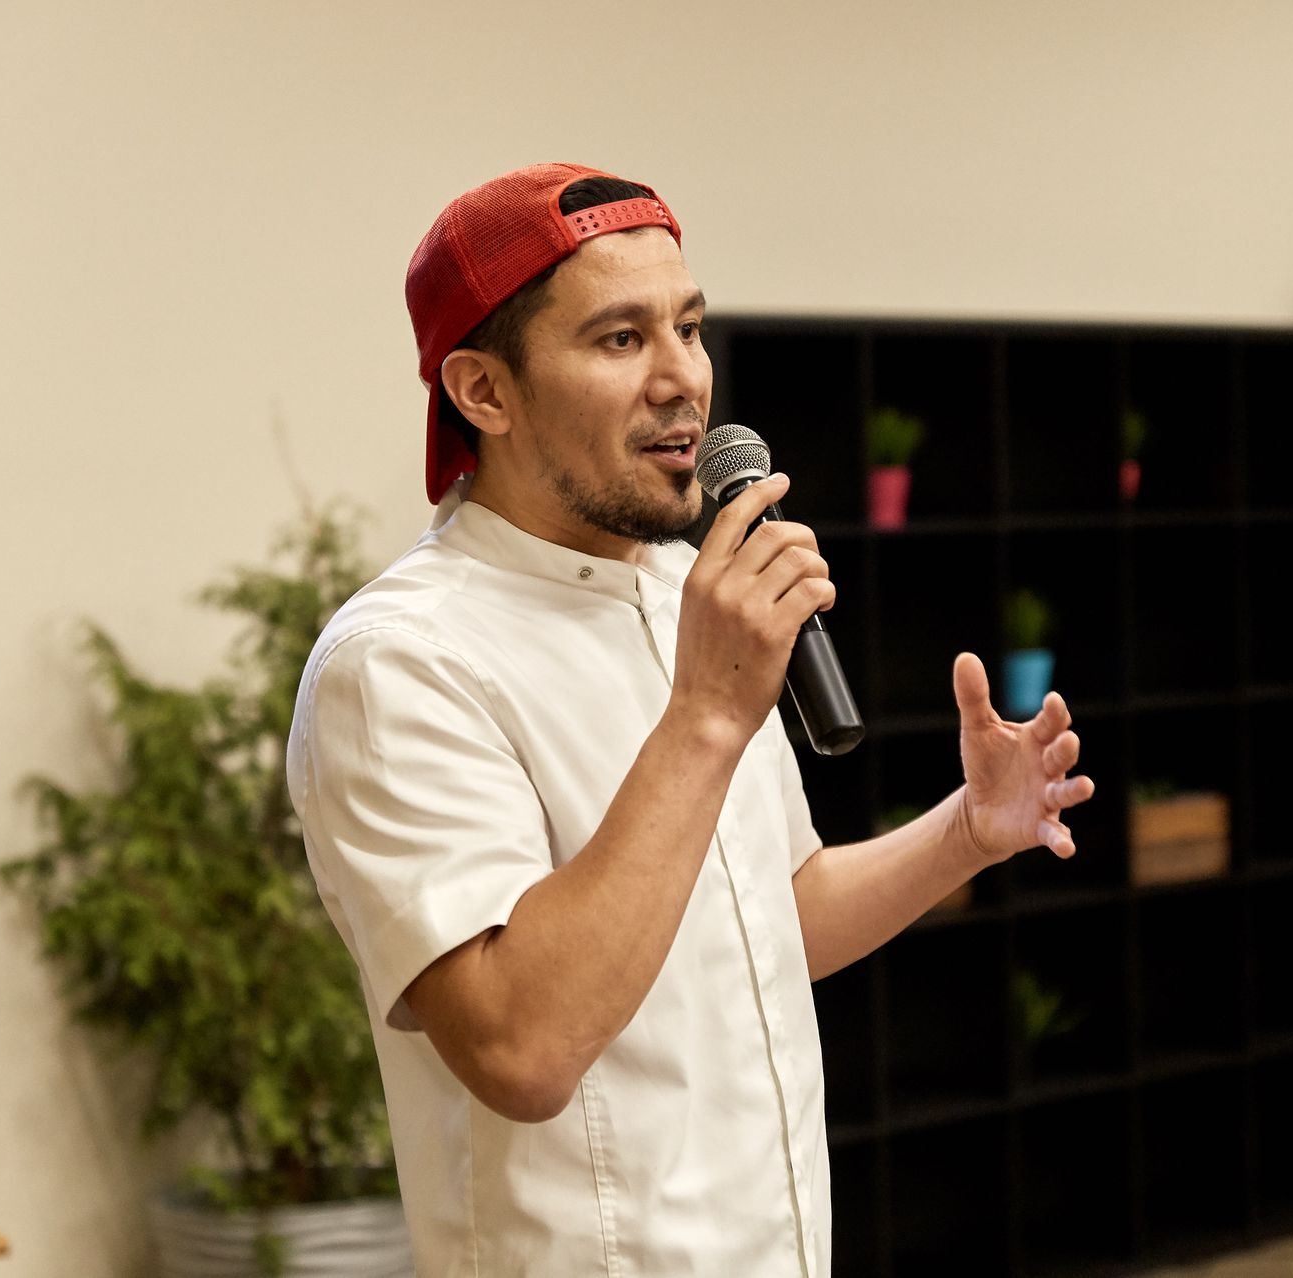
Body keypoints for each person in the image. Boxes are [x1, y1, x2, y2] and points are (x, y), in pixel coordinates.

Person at [286, 162, 1096, 1276]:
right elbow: (521, 1048)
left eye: (689, 327)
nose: (682, 380)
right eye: (621, 339)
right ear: (484, 392)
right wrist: (707, 715)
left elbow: (776, 915)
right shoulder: (400, 663)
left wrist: (965, 831)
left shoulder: (688, 595)